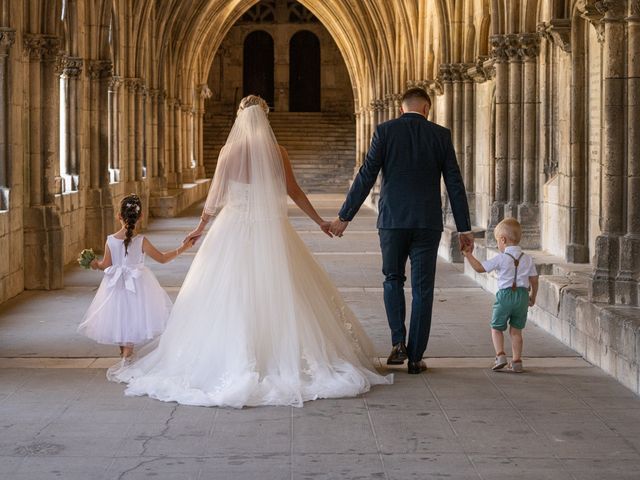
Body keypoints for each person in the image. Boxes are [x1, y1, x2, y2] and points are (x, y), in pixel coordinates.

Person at [109, 95, 392, 408]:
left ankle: (228, 359)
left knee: (227, 292)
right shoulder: (277, 152)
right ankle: (280, 357)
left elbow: (214, 198)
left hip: (231, 230)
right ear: (265, 118)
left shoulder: (228, 152)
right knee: (280, 290)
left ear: (239, 118)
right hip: (271, 230)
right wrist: (320, 222)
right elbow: (294, 191)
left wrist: (200, 229)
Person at [330, 87, 473, 374]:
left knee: (392, 279)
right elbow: (454, 184)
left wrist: (345, 216)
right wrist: (464, 229)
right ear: (426, 109)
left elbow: (366, 175)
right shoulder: (440, 135)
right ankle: (416, 356)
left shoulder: (385, 132)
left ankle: (398, 342)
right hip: (427, 223)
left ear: (401, 109)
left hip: (393, 221)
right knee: (423, 289)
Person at [78, 194, 193, 367]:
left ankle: (125, 355)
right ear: (140, 217)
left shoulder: (110, 240)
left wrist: (94, 264)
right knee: (132, 316)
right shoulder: (141, 241)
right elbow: (162, 258)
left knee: (119, 317)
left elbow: (105, 265)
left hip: (115, 286)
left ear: (119, 216)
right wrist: (183, 248)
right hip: (138, 285)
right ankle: (127, 357)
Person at [462, 217, 538, 373]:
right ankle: (517, 361)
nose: (498, 244)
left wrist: (468, 255)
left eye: (498, 241)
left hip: (505, 296)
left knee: (496, 328)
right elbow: (535, 280)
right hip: (522, 296)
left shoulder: (501, 258)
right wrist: (533, 296)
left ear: (503, 240)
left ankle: (500, 355)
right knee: (516, 331)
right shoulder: (528, 259)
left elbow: (480, 268)